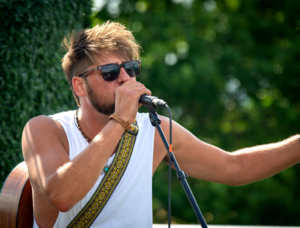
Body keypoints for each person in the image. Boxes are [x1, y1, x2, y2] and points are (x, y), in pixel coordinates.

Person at [22, 21, 300, 228]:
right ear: (79, 85)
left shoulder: (154, 129)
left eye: (131, 68)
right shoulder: (45, 130)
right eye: (109, 72)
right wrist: (120, 121)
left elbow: (234, 167)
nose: (124, 78)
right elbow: (62, 195)